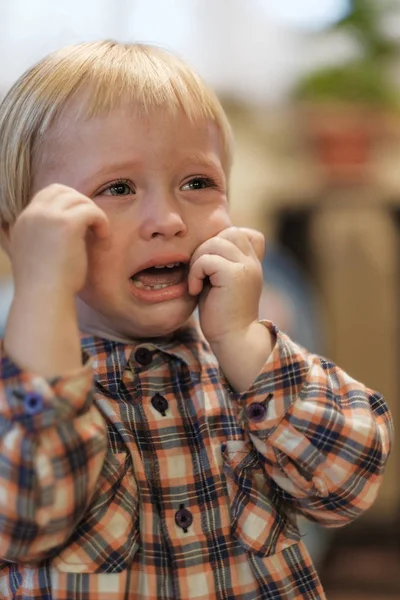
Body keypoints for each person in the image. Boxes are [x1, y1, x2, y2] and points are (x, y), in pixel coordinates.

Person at [0, 41, 393, 600]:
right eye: (117, 188)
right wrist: (39, 291)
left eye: (197, 183)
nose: (167, 220)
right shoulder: (18, 396)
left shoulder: (247, 364)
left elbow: (346, 484)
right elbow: (28, 518)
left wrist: (244, 341)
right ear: (20, 238)